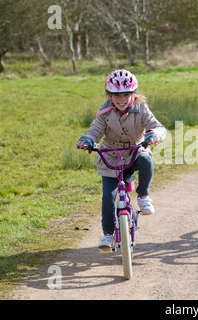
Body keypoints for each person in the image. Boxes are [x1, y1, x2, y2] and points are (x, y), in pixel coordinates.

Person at [77, 69, 166, 248]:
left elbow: (157, 127)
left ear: (133, 94)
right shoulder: (104, 112)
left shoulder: (141, 109)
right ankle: (108, 235)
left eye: (126, 94)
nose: (122, 99)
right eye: (117, 95)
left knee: (147, 161)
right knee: (108, 198)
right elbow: (94, 131)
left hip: (135, 151)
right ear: (110, 96)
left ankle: (143, 196)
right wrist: (87, 140)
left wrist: (153, 135)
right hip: (111, 156)